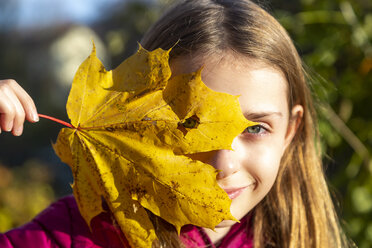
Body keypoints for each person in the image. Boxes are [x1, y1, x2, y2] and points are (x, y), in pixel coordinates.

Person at [0, 0, 352, 247]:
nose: (223, 162)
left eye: (255, 128)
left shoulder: (309, 240)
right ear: (137, 121)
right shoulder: (68, 236)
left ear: (290, 131)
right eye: (188, 126)